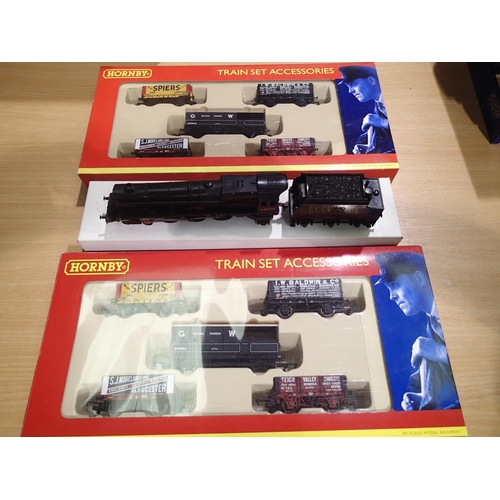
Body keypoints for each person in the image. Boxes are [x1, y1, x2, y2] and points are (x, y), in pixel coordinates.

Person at [375, 252, 460, 410]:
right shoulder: (432, 325)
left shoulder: (457, 312)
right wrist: (423, 398)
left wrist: (440, 352)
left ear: (420, 278)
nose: (391, 296)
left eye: (395, 285)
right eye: (388, 289)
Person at [338, 65, 395, 154]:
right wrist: (369, 147)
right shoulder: (379, 107)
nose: (350, 91)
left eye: (352, 84)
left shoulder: (398, 99)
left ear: (371, 81)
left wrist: (382, 122)